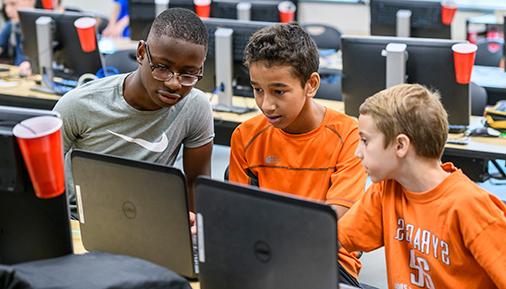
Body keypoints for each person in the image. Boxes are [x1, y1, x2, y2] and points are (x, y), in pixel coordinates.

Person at [228, 23, 367, 287]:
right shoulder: (245, 136)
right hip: (264, 250)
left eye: (279, 91)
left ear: (311, 84)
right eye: (258, 90)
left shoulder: (349, 135)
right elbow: (238, 213)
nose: (266, 104)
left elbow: (333, 217)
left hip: (329, 257)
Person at [339, 83, 506, 288]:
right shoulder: (387, 189)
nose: (358, 152)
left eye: (365, 141)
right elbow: (336, 239)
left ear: (400, 145)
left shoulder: (470, 206)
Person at [54, 8, 214, 217]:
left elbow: (196, 185)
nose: (174, 83)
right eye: (162, 67)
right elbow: (40, 180)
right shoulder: (79, 104)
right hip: (81, 218)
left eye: (189, 74)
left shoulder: (196, 108)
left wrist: (192, 235)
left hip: (146, 219)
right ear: (141, 53)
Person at [0, 0, 35, 75]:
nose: (7, 10)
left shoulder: (44, 27)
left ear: (31, 1)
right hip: (18, 74)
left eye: (13, 4)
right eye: (5, 5)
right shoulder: (12, 24)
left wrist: (32, 65)